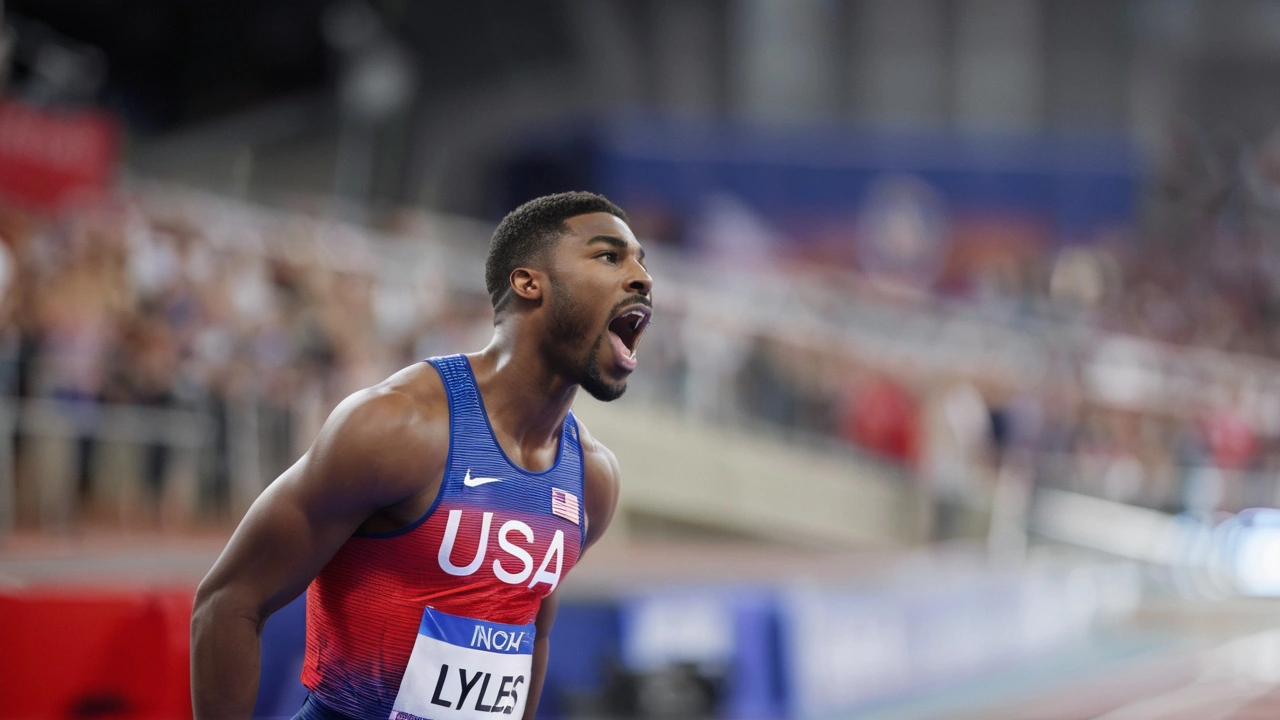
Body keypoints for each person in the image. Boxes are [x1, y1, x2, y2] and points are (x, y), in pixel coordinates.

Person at [191, 192, 654, 720]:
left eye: (643, 260)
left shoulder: (592, 478)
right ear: (529, 283)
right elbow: (228, 601)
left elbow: (530, 634)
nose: (642, 277)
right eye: (609, 256)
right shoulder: (398, 426)